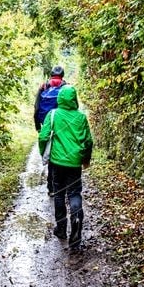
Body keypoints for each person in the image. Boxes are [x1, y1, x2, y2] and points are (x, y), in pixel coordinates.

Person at [38, 85, 93, 252]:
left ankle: (61, 229)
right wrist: (85, 159)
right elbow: (88, 142)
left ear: (60, 98)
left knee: (59, 194)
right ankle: (76, 226)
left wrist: (44, 154)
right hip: (74, 163)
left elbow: (43, 136)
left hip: (57, 163)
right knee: (75, 193)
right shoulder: (81, 118)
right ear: (74, 98)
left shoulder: (53, 114)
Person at [34, 65, 71, 196]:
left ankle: (51, 187)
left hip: (46, 124)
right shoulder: (66, 87)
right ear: (62, 75)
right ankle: (63, 185)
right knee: (63, 152)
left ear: (51, 75)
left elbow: (37, 107)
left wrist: (38, 126)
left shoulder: (43, 87)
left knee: (51, 155)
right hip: (63, 125)